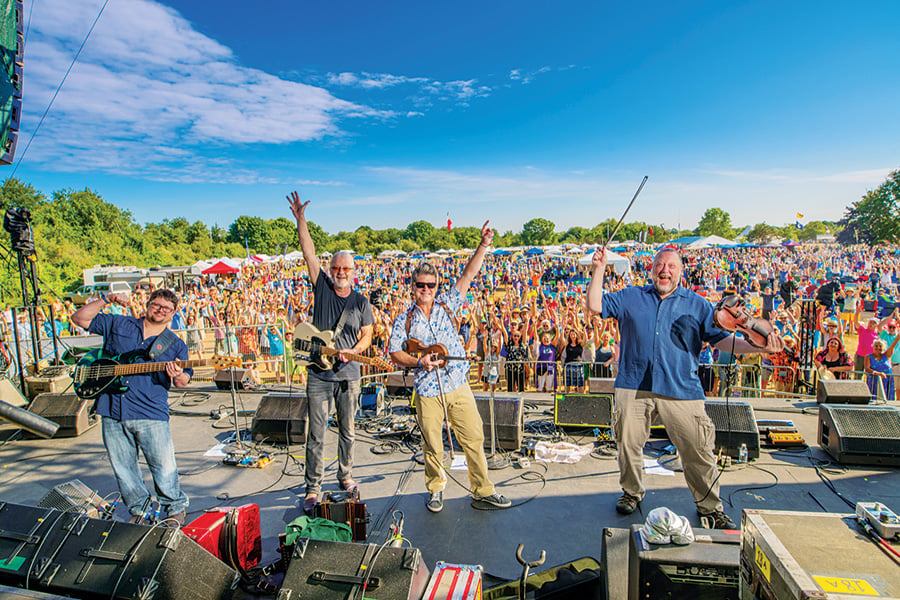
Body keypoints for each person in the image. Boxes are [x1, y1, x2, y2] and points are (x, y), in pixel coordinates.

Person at [587, 247, 784, 529]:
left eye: (671, 266)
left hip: (681, 388)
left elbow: (723, 342)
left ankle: (710, 506)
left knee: (698, 450)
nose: (664, 270)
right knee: (628, 445)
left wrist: (759, 346)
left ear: (681, 271)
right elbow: (595, 305)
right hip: (634, 384)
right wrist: (599, 268)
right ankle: (631, 492)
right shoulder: (631, 296)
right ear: (651, 269)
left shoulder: (699, 304)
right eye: (659, 265)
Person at [388, 221, 511, 513]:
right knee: (432, 443)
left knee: (474, 437)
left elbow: (469, 274)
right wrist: (419, 361)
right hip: (428, 390)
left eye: (431, 285)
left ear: (437, 286)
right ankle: (436, 490)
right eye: (421, 285)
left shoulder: (447, 304)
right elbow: (394, 352)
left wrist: (483, 245)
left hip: (457, 382)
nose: (426, 290)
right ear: (413, 287)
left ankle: (482, 490)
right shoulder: (404, 319)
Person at [70, 289, 192, 525]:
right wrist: (106, 299)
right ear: (148, 304)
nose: (160, 310)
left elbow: (182, 380)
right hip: (112, 407)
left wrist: (178, 375)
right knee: (123, 466)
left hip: (150, 410)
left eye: (166, 309)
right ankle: (140, 508)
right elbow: (80, 319)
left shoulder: (175, 345)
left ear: (173, 313)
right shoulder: (119, 324)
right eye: (156, 305)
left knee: (163, 464)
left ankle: (174, 507)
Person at [289, 191, 375, 515]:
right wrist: (301, 220)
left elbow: (368, 335)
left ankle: (346, 476)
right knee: (316, 433)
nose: (340, 272)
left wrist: (354, 351)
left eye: (345, 268)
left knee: (349, 431)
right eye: (336, 267)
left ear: (354, 271)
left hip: (349, 374)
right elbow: (307, 251)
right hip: (319, 374)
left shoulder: (362, 302)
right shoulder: (322, 286)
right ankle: (313, 487)